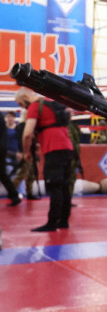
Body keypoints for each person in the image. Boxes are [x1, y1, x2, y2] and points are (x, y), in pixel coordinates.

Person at [16, 87, 74, 231]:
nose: (22, 107)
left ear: (25, 97)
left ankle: (52, 222)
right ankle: (63, 221)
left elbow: (27, 134)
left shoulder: (35, 106)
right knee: (64, 186)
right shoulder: (51, 102)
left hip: (53, 149)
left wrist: (27, 152)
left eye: (20, 104)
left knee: (54, 186)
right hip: (67, 147)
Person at [0, 111, 22, 206]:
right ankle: (14, 195)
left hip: (2, 149)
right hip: (3, 149)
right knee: (2, 174)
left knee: (2, 174)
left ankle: (14, 195)